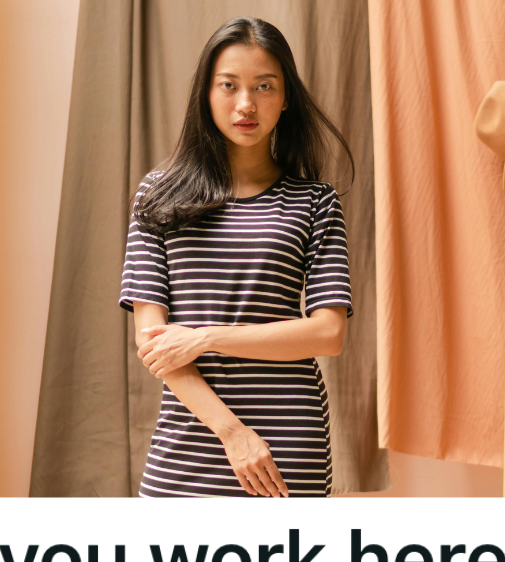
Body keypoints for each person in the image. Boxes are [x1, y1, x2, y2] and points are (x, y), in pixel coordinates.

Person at [118, 16, 354, 498]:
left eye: (264, 86)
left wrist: (203, 338)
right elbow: (155, 343)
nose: (246, 104)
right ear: (206, 93)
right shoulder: (157, 196)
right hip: (194, 433)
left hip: (289, 438)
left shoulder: (315, 201)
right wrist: (232, 433)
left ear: (285, 97)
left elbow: (328, 333)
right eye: (229, 85)